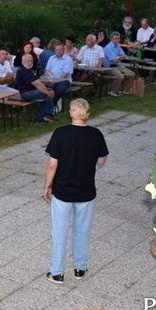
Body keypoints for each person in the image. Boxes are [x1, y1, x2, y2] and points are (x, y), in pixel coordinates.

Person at [43, 98, 108, 284]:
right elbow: (102, 160)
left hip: (62, 191)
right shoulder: (96, 135)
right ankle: (80, 267)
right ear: (87, 115)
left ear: (71, 112)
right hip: (86, 191)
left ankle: (57, 272)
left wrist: (47, 186)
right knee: (82, 231)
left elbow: (52, 165)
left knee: (59, 231)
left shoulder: (60, 133)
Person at [14, 53, 56, 123]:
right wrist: (48, 92)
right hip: (25, 94)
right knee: (46, 94)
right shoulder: (23, 71)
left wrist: (47, 90)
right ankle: (44, 116)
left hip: (32, 91)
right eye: (28, 61)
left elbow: (38, 82)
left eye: (31, 61)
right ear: (23, 61)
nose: (30, 62)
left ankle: (43, 117)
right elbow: (37, 84)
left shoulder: (28, 70)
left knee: (48, 93)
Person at [102, 31, 136, 96]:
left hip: (118, 65)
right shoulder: (108, 48)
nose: (117, 40)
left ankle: (124, 91)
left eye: (118, 38)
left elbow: (123, 55)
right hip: (109, 67)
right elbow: (114, 60)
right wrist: (120, 57)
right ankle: (112, 92)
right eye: (115, 38)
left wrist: (120, 57)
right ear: (111, 39)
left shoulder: (118, 46)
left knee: (132, 74)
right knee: (120, 76)